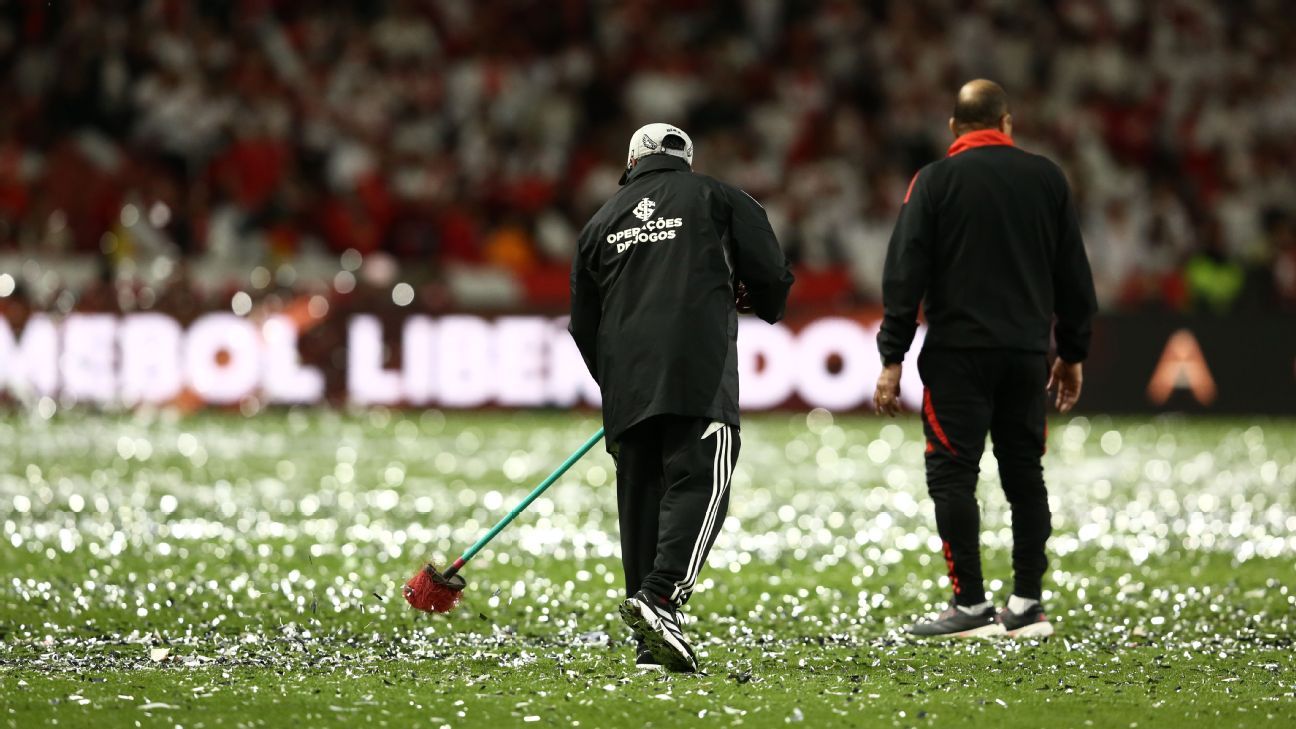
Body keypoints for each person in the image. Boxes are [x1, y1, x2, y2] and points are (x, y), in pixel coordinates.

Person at [873, 80, 1098, 638]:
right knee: (1025, 474)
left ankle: (970, 606)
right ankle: (1028, 605)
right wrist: (1071, 352)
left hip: (957, 355)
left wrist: (892, 355)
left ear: (954, 127)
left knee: (952, 474)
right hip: (1025, 354)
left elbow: (904, 272)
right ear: (1007, 123)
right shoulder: (1047, 178)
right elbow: (1074, 274)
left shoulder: (933, 181)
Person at [569, 123, 794, 671]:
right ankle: (662, 597)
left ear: (631, 162)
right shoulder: (721, 196)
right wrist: (762, 299)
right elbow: (770, 275)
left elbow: (582, 323)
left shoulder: (599, 223)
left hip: (628, 385)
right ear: (687, 161)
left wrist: (618, 383)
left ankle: (649, 643)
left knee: (641, 502)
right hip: (697, 369)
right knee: (700, 480)